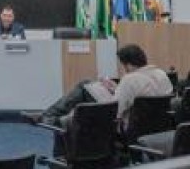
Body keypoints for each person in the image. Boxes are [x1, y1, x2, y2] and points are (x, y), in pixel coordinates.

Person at [23, 44, 172, 127]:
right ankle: (48, 117)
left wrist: (111, 91)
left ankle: (47, 117)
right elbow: (144, 95)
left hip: (126, 125)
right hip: (155, 125)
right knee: (89, 85)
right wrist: (116, 88)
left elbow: (115, 111)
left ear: (127, 64)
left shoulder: (130, 79)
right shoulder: (161, 74)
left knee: (85, 86)